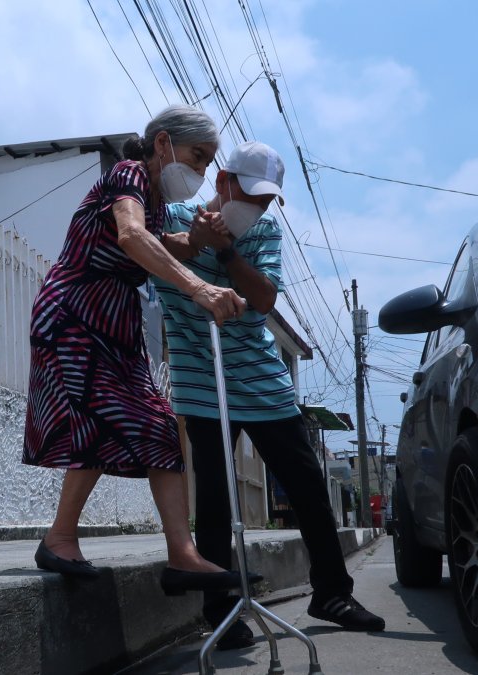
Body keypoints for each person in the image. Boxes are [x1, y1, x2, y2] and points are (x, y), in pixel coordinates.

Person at [152, 141, 386, 647]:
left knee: (306, 487)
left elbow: (262, 299)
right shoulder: (171, 214)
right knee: (215, 497)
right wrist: (193, 242)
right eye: (248, 195)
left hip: (261, 380)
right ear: (222, 181)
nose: (254, 207)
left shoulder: (262, 231)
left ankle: (332, 592)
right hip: (200, 378)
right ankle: (221, 612)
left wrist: (227, 251)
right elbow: (149, 252)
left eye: (263, 200)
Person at [23, 105, 255, 595]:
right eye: (197, 157)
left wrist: (198, 239)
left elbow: (161, 241)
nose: (200, 171)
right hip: (76, 313)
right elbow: (131, 236)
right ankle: (62, 539)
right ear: (163, 142)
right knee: (95, 418)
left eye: (207, 163)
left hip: (113, 323)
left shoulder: (150, 196)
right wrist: (200, 289)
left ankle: (181, 555)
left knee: (156, 427)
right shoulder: (128, 174)